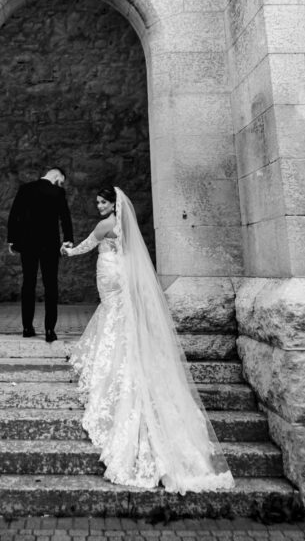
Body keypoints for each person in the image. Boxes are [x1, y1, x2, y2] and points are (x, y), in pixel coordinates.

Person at [61, 186, 235, 493]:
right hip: (122, 272)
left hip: (109, 274)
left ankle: (109, 355)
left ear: (113, 203)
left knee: (111, 310)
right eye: (98, 202)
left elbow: (88, 245)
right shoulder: (125, 223)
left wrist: (67, 250)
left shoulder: (105, 224)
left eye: (103, 201)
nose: (100, 205)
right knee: (117, 313)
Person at [7, 167, 73, 342]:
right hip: (50, 245)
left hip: (27, 244)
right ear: (57, 175)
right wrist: (68, 240)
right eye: (61, 180)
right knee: (51, 286)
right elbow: (65, 217)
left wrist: (12, 240)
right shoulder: (58, 192)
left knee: (28, 284)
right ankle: (50, 330)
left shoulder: (25, 189)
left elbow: (14, 215)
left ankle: (27, 328)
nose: (61, 184)